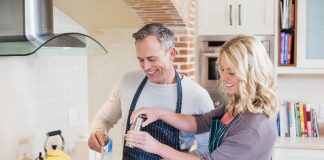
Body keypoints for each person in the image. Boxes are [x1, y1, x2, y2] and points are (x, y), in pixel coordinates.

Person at [125, 35, 279, 160]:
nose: (224, 78)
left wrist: (156, 147)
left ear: (251, 73)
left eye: (231, 72)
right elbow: (200, 122)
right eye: (222, 70)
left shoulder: (253, 127)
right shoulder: (238, 104)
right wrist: (159, 113)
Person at [88, 23, 215, 159]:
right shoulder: (127, 82)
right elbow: (104, 119)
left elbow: (209, 153)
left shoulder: (197, 96)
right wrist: (97, 132)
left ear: (172, 54)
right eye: (141, 60)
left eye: (152, 59)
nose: (146, 67)